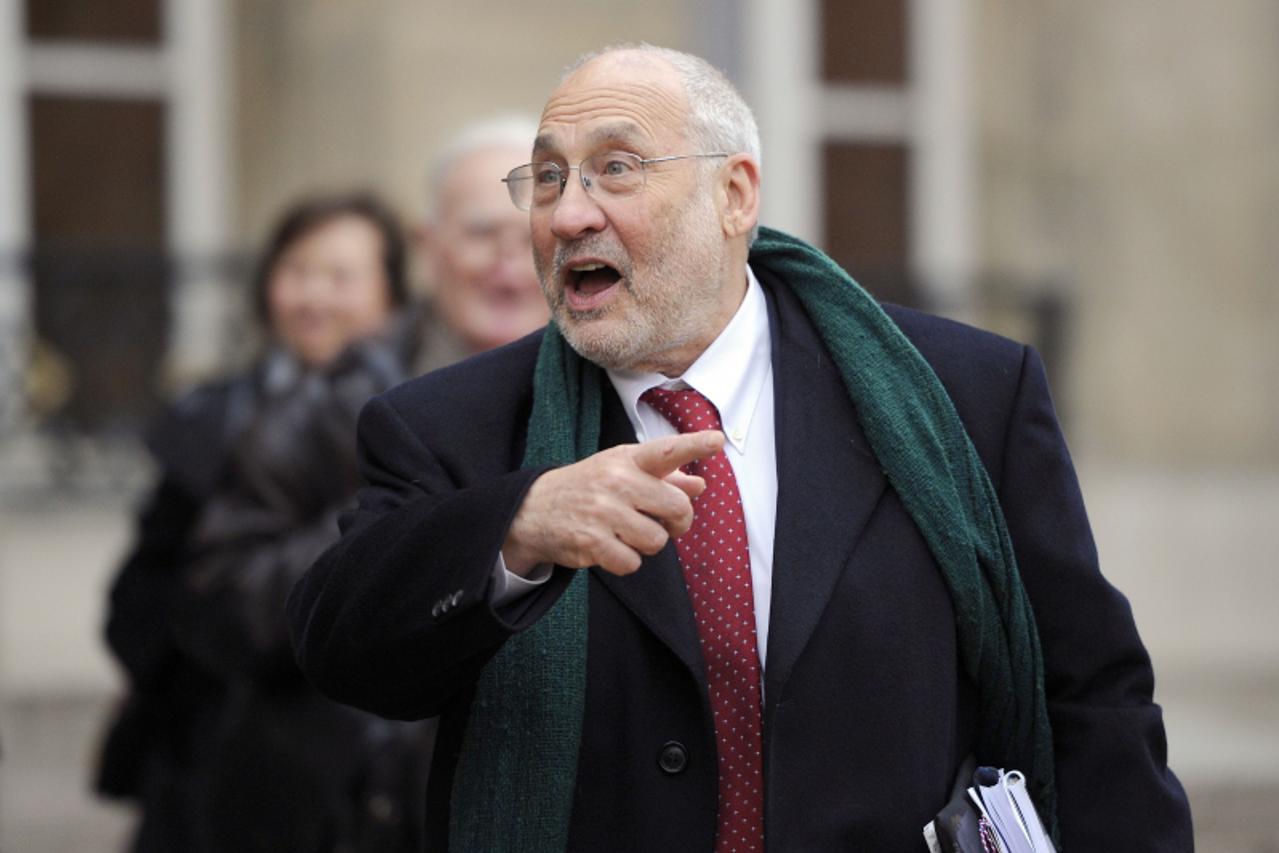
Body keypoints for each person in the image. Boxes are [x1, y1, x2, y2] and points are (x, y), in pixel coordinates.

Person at [287, 45, 1193, 852]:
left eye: (615, 169)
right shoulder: (452, 424)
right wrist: (517, 529)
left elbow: (1092, 696)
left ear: (734, 194)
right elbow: (341, 646)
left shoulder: (965, 394)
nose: (568, 216)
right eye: (548, 178)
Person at [100, 192, 431, 853]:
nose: (313, 297)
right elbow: (142, 598)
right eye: (296, 271)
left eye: (340, 277)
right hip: (215, 750)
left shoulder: (424, 416)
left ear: (391, 296)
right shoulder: (210, 418)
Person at [412, 116, 549, 372]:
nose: (509, 267)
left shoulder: (621, 384)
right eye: (482, 233)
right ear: (428, 247)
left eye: (533, 238)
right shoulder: (355, 390)